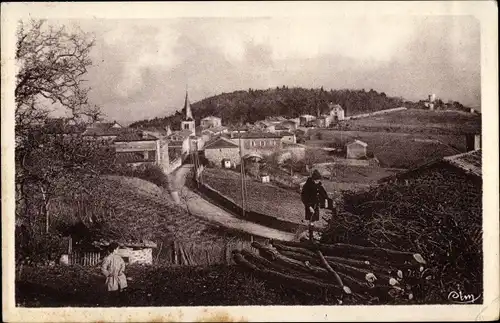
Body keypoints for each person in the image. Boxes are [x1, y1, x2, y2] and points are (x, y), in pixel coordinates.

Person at [301, 169, 328, 240]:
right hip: (309, 205)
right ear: (313, 179)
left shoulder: (319, 185)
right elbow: (304, 197)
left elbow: (324, 193)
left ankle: (311, 234)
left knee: (314, 220)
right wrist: (309, 207)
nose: (318, 181)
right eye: (316, 180)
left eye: (319, 180)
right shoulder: (307, 186)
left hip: (316, 205)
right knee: (311, 220)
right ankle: (310, 236)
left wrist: (326, 200)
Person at [101, 242, 127, 306]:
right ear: (114, 249)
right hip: (112, 278)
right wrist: (108, 274)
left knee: (122, 291)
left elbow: (123, 264)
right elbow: (103, 269)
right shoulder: (107, 258)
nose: (118, 250)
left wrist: (121, 270)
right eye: (117, 249)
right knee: (113, 293)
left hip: (120, 277)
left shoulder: (119, 258)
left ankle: (121, 305)